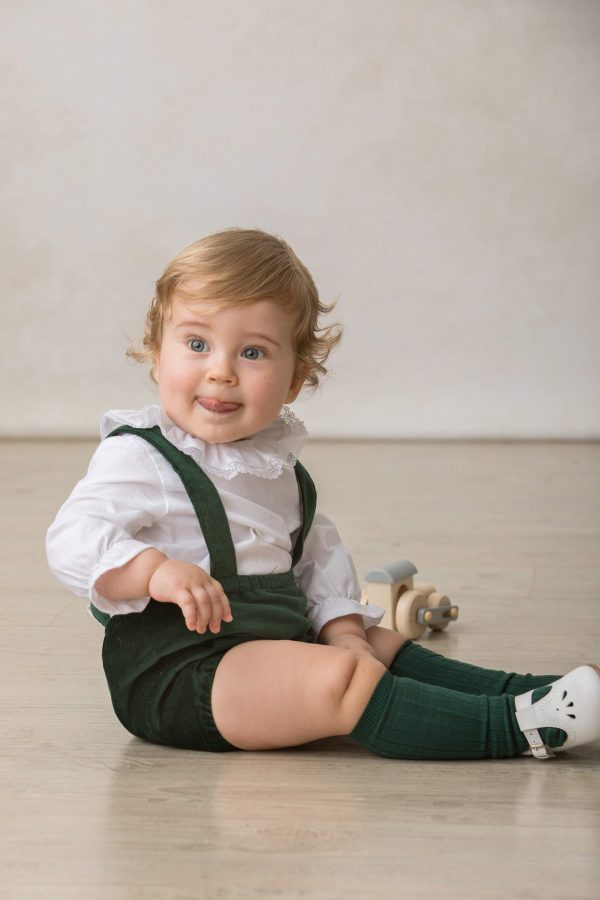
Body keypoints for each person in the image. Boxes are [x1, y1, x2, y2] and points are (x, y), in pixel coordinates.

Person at [46, 227, 600, 760]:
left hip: (272, 647)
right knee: (343, 679)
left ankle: (527, 692)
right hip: (183, 673)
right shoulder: (142, 455)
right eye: (196, 343)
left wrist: (343, 631)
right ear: (155, 351)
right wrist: (152, 570)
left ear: (293, 379)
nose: (220, 372)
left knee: (374, 647)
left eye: (253, 353)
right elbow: (74, 537)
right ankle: (518, 727)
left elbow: (317, 562)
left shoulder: (278, 468)